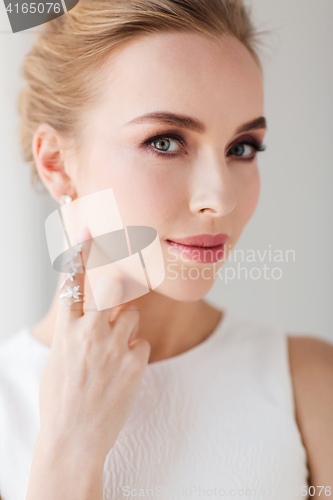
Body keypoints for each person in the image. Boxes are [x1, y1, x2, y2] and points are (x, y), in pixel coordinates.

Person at [0, 1, 332, 499]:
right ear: (56, 164)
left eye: (242, 147)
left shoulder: (310, 384)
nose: (220, 198)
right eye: (165, 142)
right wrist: (70, 449)